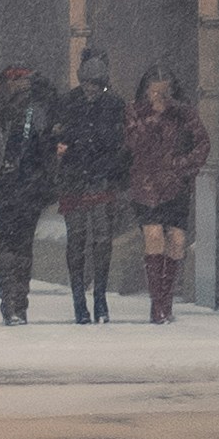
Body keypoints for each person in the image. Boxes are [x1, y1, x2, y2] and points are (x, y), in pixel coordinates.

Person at [0, 62, 56, 325]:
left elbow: (47, 134)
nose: (21, 86)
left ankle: (19, 302)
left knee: (22, 246)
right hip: (4, 183)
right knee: (10, 243)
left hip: (30, 183)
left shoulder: (37, 105)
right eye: (17, 81)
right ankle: (10, 302)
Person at [51, 46, 136, 326]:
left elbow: (121, 147)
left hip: (101, 179)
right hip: (74, 180)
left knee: (101, 240)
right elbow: (52, 139)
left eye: (95, 84)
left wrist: (116, 173)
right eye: (86, 83)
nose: (90, 89)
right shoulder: (67, 103)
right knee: (77, 239)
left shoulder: (114, 106)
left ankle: (99, 296)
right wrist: (59, 149)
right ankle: (79, 299)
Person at [124, 72, 210, 326]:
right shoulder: (135, 113)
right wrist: (154, 118)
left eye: (164, 92)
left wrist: (181, 166)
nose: (158, 97)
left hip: (175, 185)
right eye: (153, 91)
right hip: (145, 184)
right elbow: (133, 144)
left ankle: (167, 297)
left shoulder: (185, 114)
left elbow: (203, 145)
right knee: (153, 235)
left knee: (176, 240)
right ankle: (156, 302)